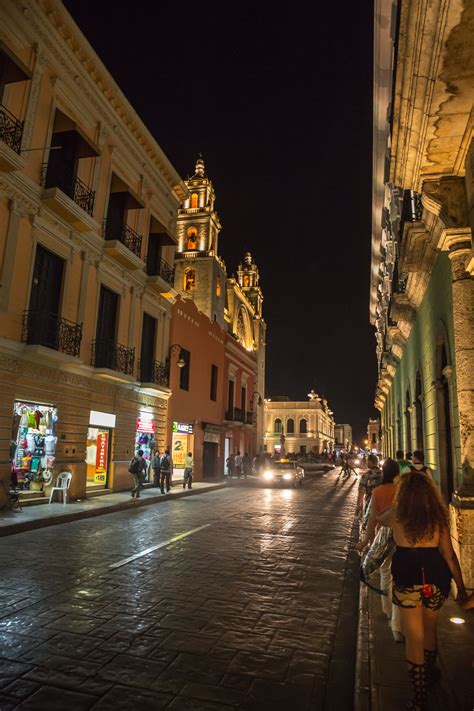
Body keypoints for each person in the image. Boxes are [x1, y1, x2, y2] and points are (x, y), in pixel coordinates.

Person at [379, 472, 468, 710]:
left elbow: (379, 517)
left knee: (414, 638)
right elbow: (449, 556)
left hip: (407, 579)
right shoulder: (436, 517)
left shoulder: (396, 515)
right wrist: (460, 586)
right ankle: (430, 675)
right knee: (430, 631)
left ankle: (419, 699)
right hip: (435, 579)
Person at [356, 458, 403, 641]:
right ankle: (397, 628)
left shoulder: (378, 491)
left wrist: (365, 542)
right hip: (402, 535)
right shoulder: (402, 491)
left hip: (384, 535)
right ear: (398, 473)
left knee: (385, 571)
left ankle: (387, 610)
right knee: (400, 577)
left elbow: (372, 520)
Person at [357, 454, 383, 521]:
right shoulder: (383, 474)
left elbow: (361, 493)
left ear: (370, 462)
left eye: (367, 461)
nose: (366, 462)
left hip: (370, 506)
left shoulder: (366, 475)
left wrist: (358, 507)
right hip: (383, 507)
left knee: (369, 527)